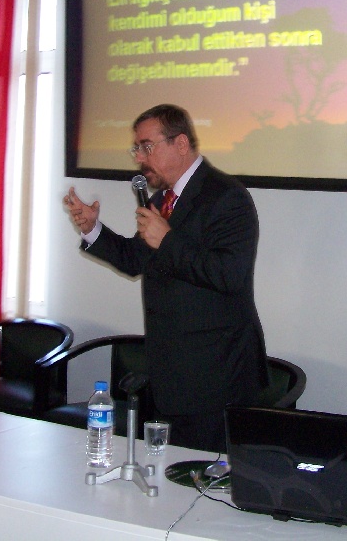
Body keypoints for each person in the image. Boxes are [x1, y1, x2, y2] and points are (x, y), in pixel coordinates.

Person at [64, 104, 268, 452]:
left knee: (204, 476)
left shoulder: (227, 196)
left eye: (147, 146)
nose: (140, 158)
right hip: (171, 374)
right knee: (168, 471)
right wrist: (93, 229)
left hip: (216, 376)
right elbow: (135, 259)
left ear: (181, 144)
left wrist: (168, 240)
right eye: (137, 149)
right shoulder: (164, 199)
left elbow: (229, 275)